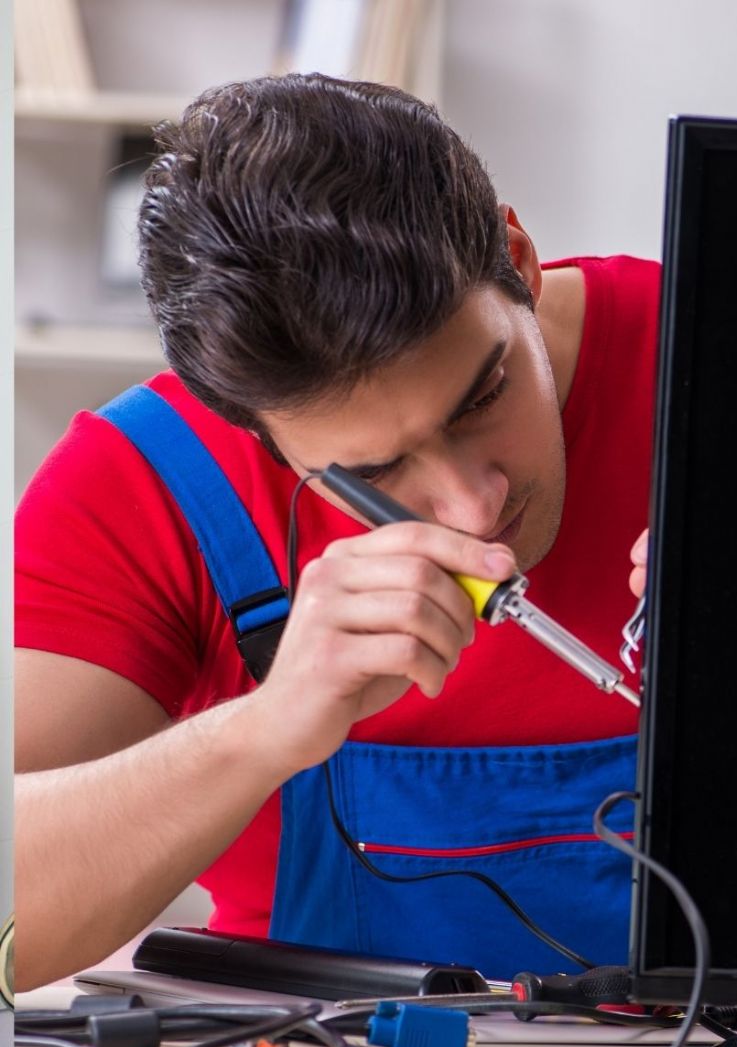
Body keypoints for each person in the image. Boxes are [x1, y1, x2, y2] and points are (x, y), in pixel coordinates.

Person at [14, 73, 656, 989]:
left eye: (483, 395)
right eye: (373, 474)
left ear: (518, 258)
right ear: (252, 430)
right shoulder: (143, 486)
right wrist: (265, 730)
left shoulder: (732, 362)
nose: (475, 511)